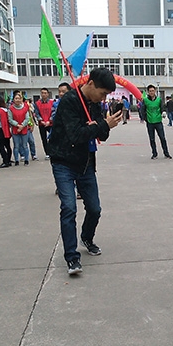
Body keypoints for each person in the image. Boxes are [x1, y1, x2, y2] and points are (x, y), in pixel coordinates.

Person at [47, 68, 123, 275]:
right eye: (103, 93)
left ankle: (87, 237)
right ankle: (72, 257)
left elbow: (101, 136)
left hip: (86, 162)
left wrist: (104, 125)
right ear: (90, 84)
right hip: (63, 162)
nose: (104, 97)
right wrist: (100, 125)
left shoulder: (95, 104)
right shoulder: (70, 101)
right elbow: (75, 135)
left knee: (95, 208)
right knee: (69, 208)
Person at [141, 85, 171, 159]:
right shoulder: (145, 100)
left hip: (158, 121)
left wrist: (163, 112)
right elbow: (142, 110)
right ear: (148, 92)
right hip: (150, 122)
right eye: (150, 91)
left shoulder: (159, 100)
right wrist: (146, 119)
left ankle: (166, 153)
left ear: (155, 91)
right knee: (152, 139)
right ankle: (154, 154)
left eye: (153, 91)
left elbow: (162, 107)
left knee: (162, 138)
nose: (151, 92)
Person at [8, 91, 31, 165]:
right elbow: (10, 119)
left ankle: (26, 160)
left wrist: (22, 126)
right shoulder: (11, 109)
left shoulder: (25, 108)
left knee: (25, 145)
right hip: (15, 129)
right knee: (16, 146)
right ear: (13, 100)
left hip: (24, 129)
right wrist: (17, 125)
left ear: (21, 100)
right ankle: (17, 160)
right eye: (16, 98)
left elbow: (27, 118)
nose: (17, 100)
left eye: (19, 98)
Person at [34, 88, 54, 160]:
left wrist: (50, 120)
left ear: (48, 94)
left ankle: (53, 151)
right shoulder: (37, 103)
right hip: (41, 124)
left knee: (53, 138)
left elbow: (53, 112)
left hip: (50, 124)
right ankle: (47, 153)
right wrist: (41, 120)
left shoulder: (52, 102)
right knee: (44, 139)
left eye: (45, 93)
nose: (44, 94)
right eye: (42, 93)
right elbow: (36, 113)